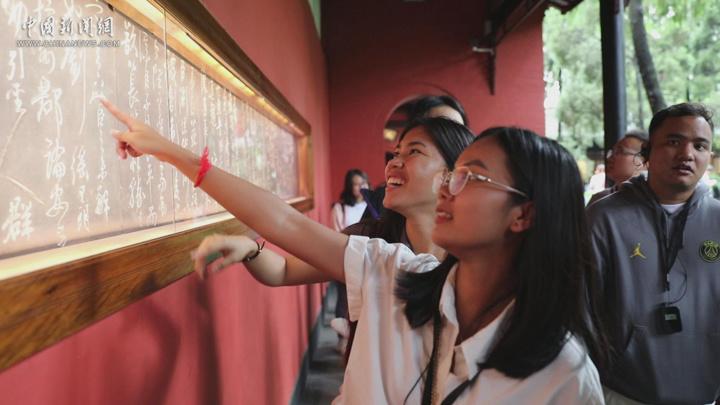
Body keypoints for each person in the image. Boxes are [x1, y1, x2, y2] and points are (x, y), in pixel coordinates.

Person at [101, 99, 606, 403]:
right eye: (453, 175)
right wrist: (168, 151)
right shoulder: (392, 269)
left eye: (469, 177)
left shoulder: (563, 377)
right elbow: (281, 222)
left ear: (523, 214)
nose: (449, 189)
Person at [587, 102, 720, 405]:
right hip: (620, 392)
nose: (687, 154)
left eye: (700, 146)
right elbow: (580, 310)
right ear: (647, 152)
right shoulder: (604, 218)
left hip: (705, 395)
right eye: (674, 141)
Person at [588, 130, 648, 205]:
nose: (610, 157)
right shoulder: (597, 200)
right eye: (612, 152)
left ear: (645, 162)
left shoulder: (655, 202)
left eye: (620, 151)